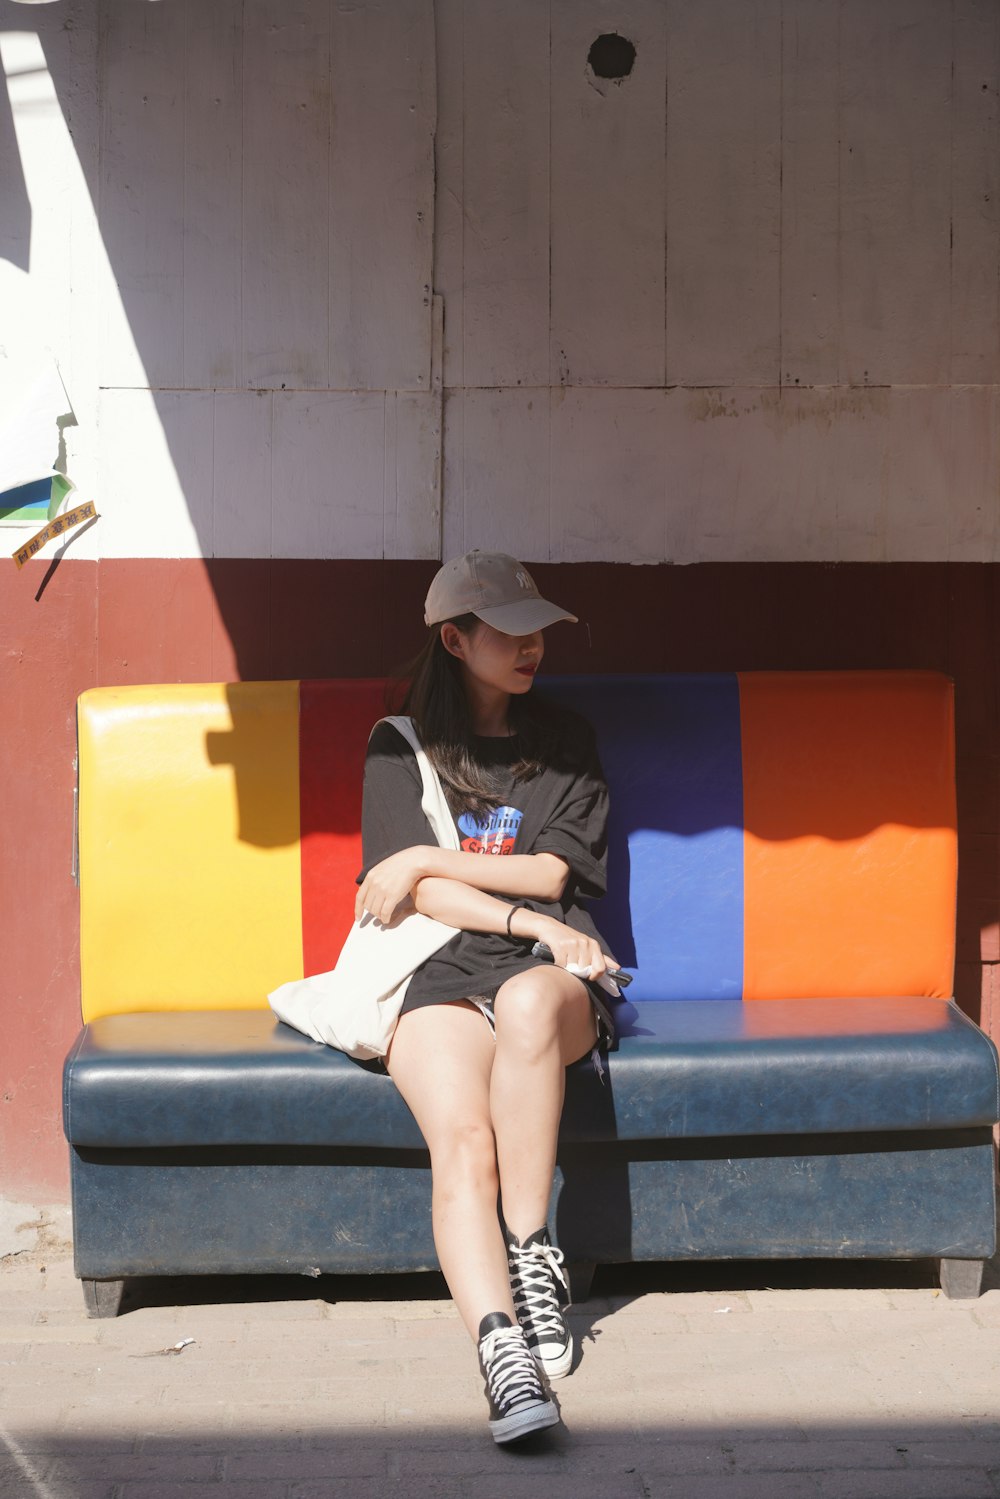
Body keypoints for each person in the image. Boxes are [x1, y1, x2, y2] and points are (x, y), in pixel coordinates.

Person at [356, 550, 620, 1445]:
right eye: (507, 630)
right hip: (436, 975)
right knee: (462, 1140)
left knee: (530, 1006)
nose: (531, 644)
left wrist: (426, 854)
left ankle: (534, 1251)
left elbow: (554, 868)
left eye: (537, 625)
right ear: (454, 639)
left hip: (547, 980)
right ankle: (500, 1344)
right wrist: (528, 918)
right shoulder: (399, 746)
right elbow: (418, 903)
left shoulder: (565, 741)